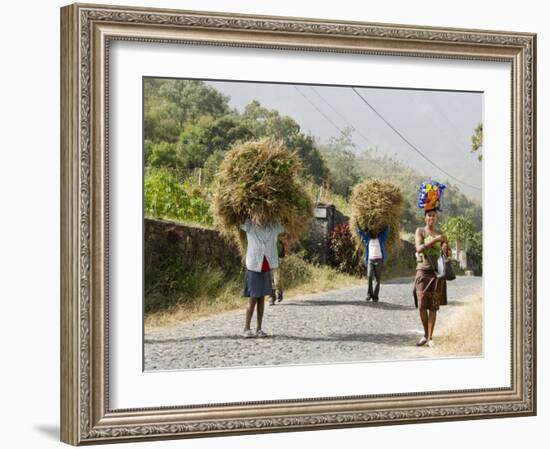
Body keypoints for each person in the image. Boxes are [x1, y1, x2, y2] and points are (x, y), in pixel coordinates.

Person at [413, 209, 452, 348]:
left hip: (437, 273)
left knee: (433, 307)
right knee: (422, 306)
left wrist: (446, 247)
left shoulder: (441, 234)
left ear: (436, 218)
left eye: (434, 216)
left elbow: (449, 253)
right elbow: (419, 248)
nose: (431, 218)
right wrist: (434, 240)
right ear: (425, 218)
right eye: (429, 215)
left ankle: (429, 338)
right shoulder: (420, 232)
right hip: (423, 272)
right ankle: (425, 334)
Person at [240, 219, 284, 338]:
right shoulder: (250, 225)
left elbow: (283, 227)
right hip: (254, 266)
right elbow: (240, 222)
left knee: (261, 299)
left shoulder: (272, 226)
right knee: (253, 298)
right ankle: (246, 328)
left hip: (267, 266)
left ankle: (259, 329)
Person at [357, 225, 390, 302]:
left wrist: (387, 224)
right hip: (370, 260)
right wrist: (357, 225)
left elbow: (386, 231)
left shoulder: (381, 238)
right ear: (371, 232)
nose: (375, 233)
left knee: (377, 279)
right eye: (373, 232)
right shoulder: (368, 239)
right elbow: (361, 233)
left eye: (376, 232)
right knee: (369, 276)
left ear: (378, 232)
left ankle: (375, 296)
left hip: (379, 260)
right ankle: (369, 294)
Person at [269, 234, 286, 305]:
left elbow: (282, 254)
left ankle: (279, 293)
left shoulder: (278, 241)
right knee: (269, 280)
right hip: (267, 262)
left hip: (276, 262)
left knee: (277, 280)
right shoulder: (264, 240)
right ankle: (271, 297)